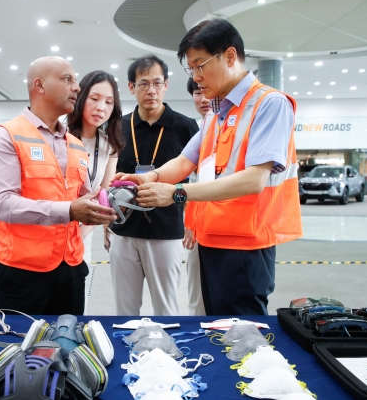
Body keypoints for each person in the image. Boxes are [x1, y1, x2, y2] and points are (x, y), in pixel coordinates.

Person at [121, 19, 302, 316]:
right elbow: (184, 161)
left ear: (230, 57)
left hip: (246, 247)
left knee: (242, 337)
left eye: (200, 66)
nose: (196, 77)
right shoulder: (214, 116)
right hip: (210, 241)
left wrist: (176, 194)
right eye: (191, 69)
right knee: (214, 330)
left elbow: (255, 179)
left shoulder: (269, 104)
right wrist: (146, 178)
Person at [0, 56, 117, 315]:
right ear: (39, 86)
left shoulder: (74, 144)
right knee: (23, 349)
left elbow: (84, 198)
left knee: (68, 345)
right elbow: (1, 204)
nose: (77, 88)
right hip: (23, 273)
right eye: (67, 79)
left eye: (76, 80)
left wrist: (115, 197)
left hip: (71, 269)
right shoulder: (8, 135)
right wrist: (69, 210)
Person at [109, 55, 199, 316]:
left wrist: (190, 222)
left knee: (166, 308)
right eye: (144, 84)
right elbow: (108, 179)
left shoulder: (185, 126)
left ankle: (166, 356)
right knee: (125, 310)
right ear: (131, 87)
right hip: (123, 231)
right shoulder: (118, 127)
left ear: (166, 85)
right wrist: (107, 222)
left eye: (157, 83)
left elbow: (198, 179)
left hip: (167, 231)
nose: (151, 90)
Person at [66, 70, 125, 263]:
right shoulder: (59, 136)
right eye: (94, 98)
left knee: (78, 289)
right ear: (81, 98)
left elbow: (104, 196)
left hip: (83, 232)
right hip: (53, 226)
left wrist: (83, 233)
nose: (101, 108)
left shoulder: (109, 145)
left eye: (108, 102)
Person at [183, 78, 210, 316]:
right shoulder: (201, 129)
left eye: (207, 91)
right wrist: (190, 223)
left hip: (231, 229)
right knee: (197, 296)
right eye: (197, 92)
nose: (203, 99)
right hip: (198, 226)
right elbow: (193, 183)